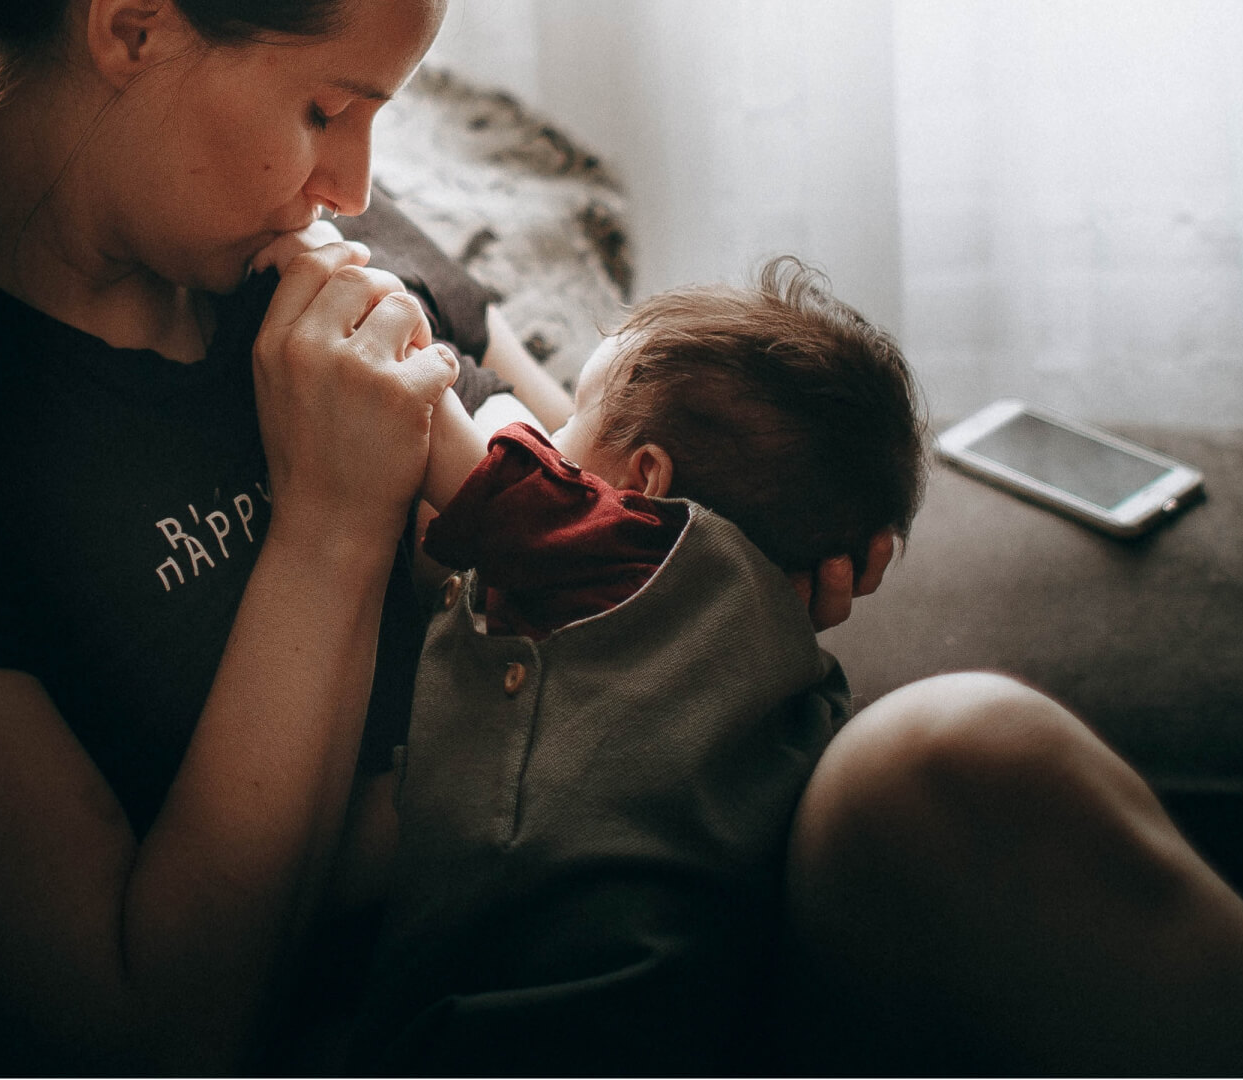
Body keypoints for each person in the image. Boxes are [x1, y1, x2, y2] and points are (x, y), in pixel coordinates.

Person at [0, 0, 1243, 1074]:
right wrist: (328, 533)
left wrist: (733, 587)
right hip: (468, 1012)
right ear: (133, 20)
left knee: (959, 754)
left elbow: (591, 488)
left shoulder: (312, 246)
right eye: (327, 105)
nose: (357, 184)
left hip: (693, 887)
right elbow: (152, 1027)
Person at [346, 258, 926, 1072]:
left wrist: (374, 305)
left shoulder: (631, 542)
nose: (548, 431)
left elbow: (461, 454)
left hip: (536, 1011)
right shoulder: (768, 634)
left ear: (643, 480)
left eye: (577, 412)